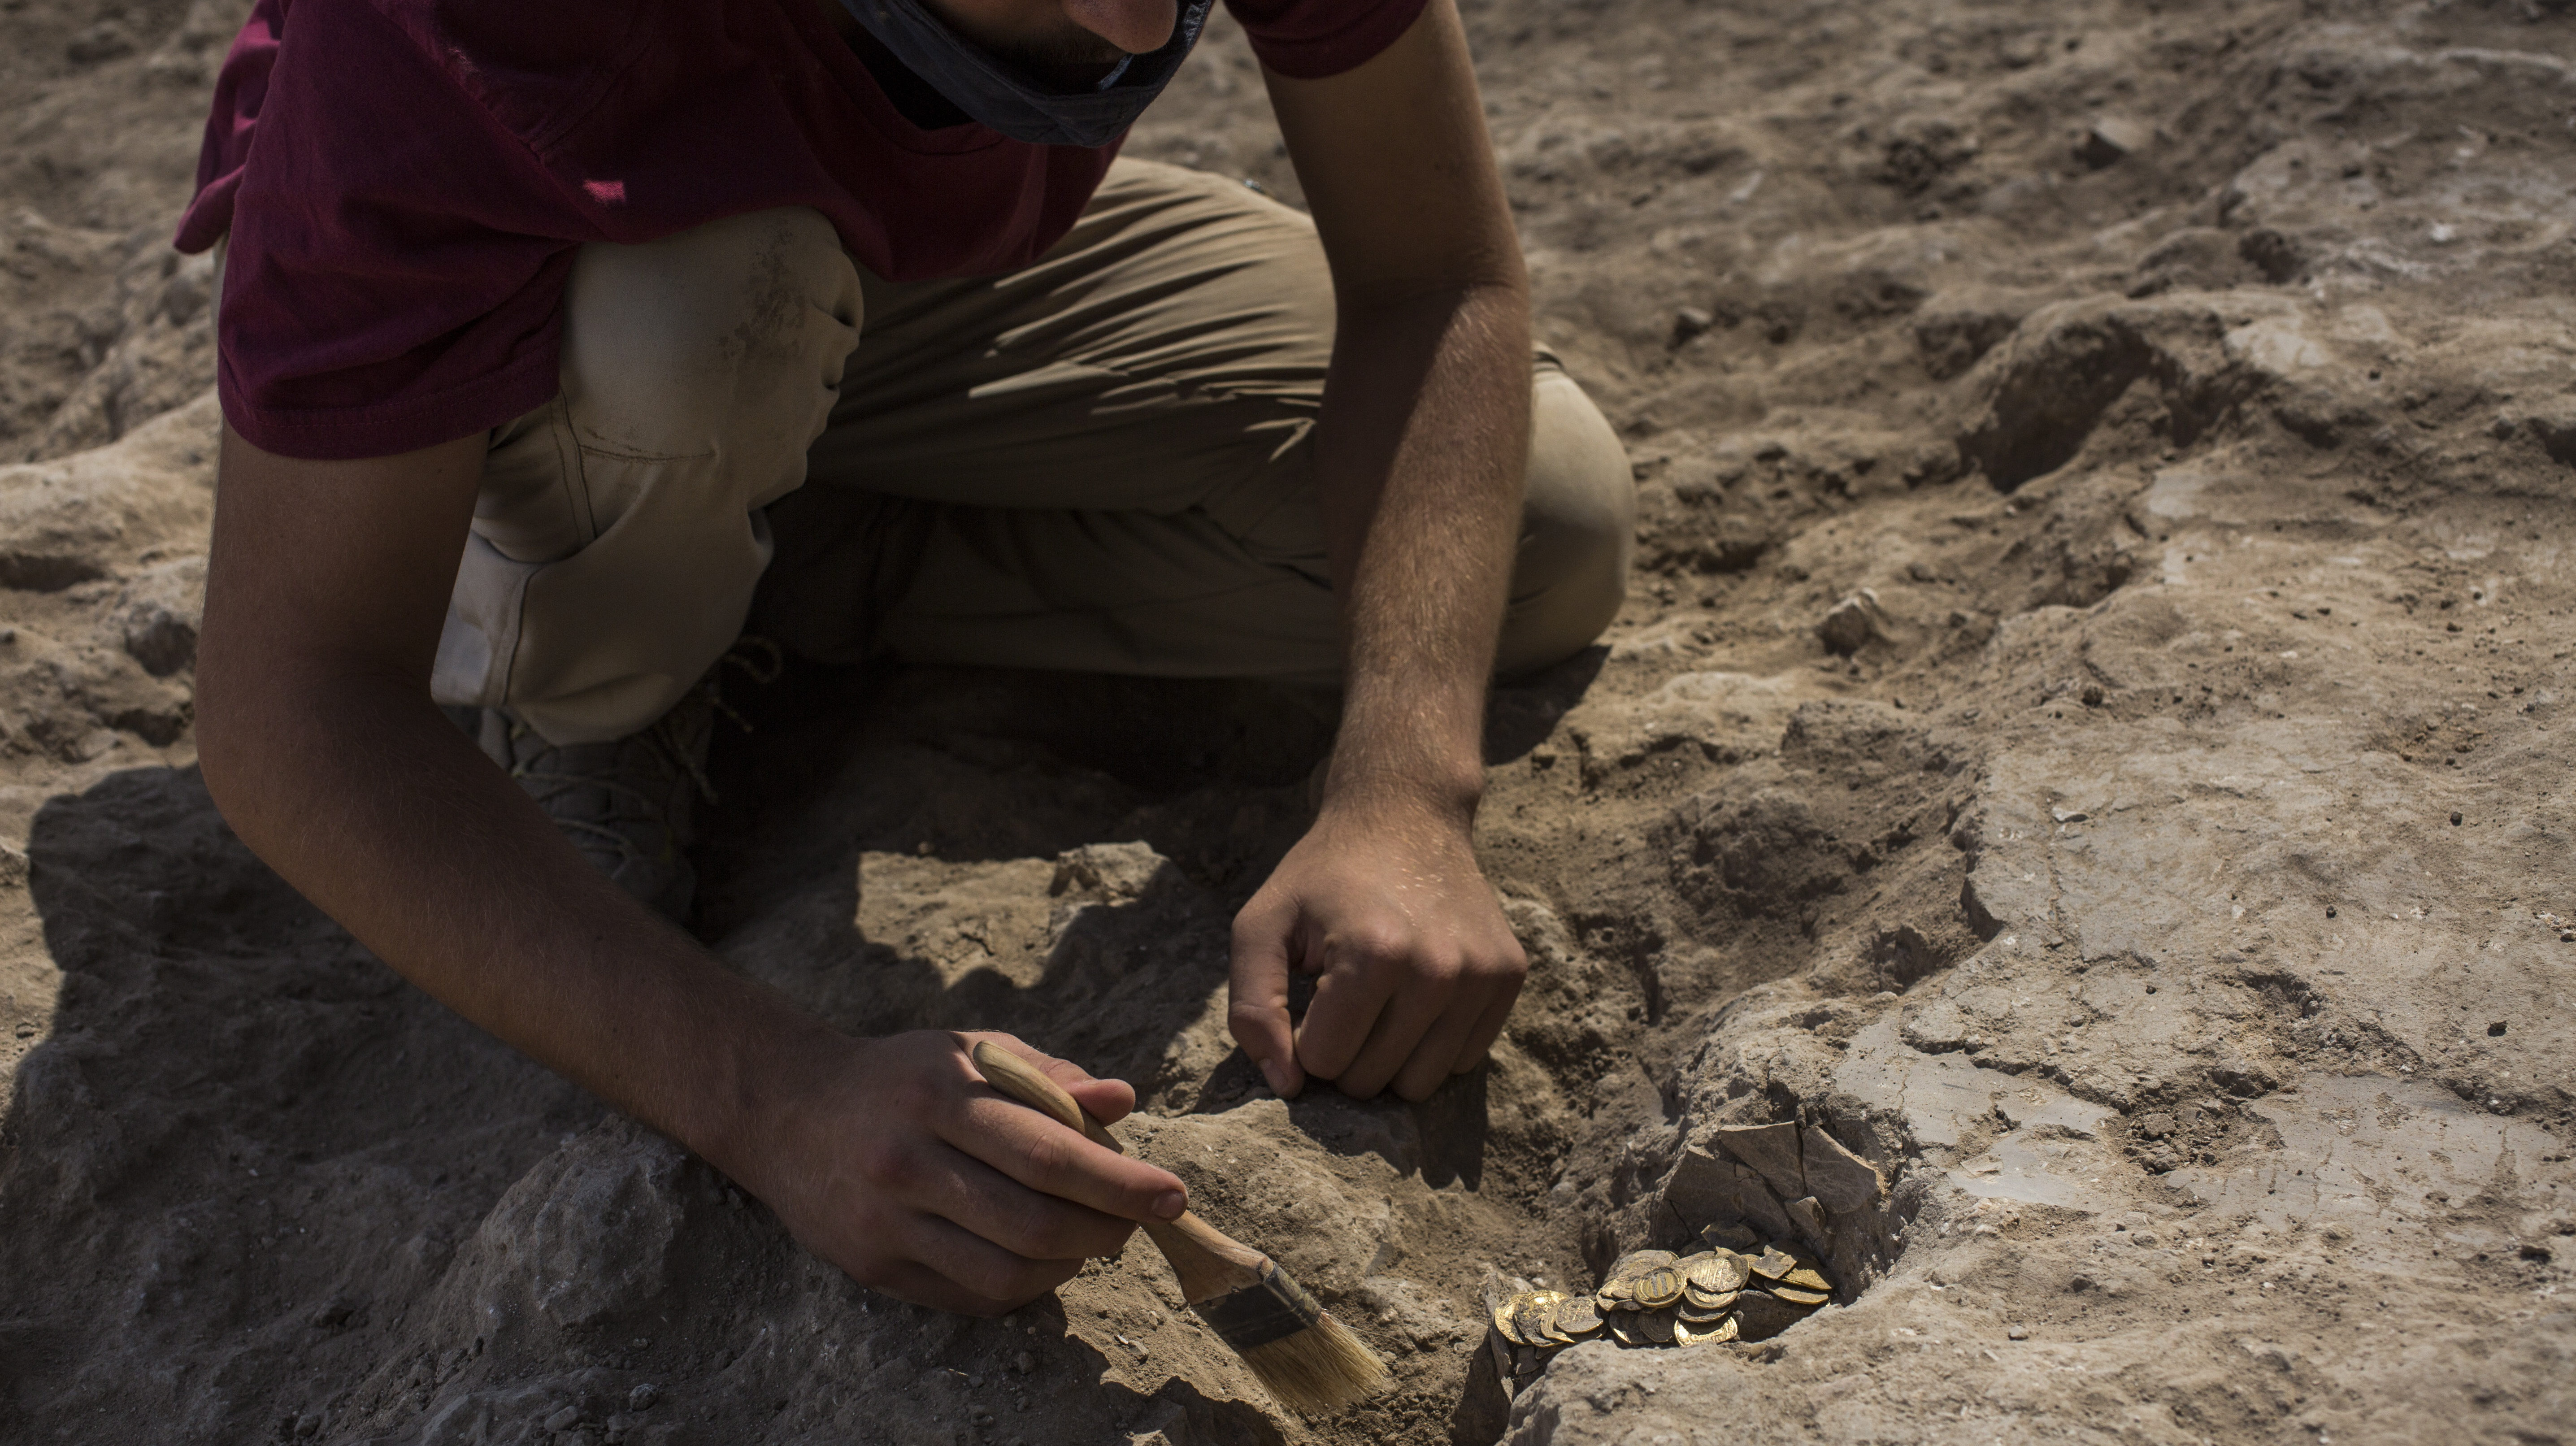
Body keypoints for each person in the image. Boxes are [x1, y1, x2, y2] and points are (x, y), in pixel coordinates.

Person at [187, 0, 1633, 1316]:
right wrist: (774, 1100)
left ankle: (746, 554)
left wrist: (1400, 789)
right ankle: (571, 670)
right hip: (563, 252)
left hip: (882, 251)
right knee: (703, 310)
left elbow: (1435, 282)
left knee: (1540, 523)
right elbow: (294, 703)